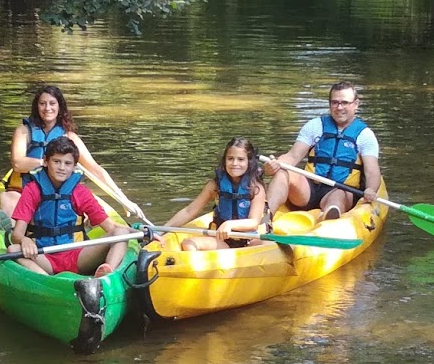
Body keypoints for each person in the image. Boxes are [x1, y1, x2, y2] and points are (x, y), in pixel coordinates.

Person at [0, 84, 143, 222]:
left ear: (59, 106)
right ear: (37, 106)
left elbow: (95, 169)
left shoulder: (70, 137)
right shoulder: (23, 131)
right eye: (42, 103)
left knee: (80, 202)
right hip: (24, 190)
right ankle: (11, 233)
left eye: (52, 103)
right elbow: (17, 164)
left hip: (59, 194)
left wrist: (123, 199)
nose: (47, 108)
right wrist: (48, 163)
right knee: (8, 199)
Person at [7, 136, 135, 277]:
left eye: (68, 163)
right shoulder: (32, 190)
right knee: (14, 249)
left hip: (78, 256)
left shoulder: (80, 192)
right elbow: (16, 235)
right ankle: (47, 281)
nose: (62, 168)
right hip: (44, 257)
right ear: (45, 161)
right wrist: (24, 240)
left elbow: (112, 228)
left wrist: (138, 233)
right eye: (56, 162)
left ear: (74, 167)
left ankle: (106, 276)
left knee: (121, 234)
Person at [263, 82, 381, 220]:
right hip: (309, 189)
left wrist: (371, 189)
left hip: (342, 190)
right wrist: (275, 164)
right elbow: (293, 156)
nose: (339, 107)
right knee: (284, 171)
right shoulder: (315, 126)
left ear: (356, 104)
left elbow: (372, 171)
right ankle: (266, 216)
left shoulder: (365, 135)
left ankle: (328, 219)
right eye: (335, 102)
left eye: (345, 103)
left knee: (338, 196)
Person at [163, 137, 266, 251]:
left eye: (241, 159)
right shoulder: (215, 185)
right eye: (230, 158)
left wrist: (230, 224)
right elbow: (189, 211)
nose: (234, 163)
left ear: (249, 162)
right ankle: (200, 267)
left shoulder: (256, 188)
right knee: (189, 243)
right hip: (222, 240)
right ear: (224, 160)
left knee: (266, 245)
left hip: (249, 240)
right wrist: (162, 229)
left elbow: (253, 222)